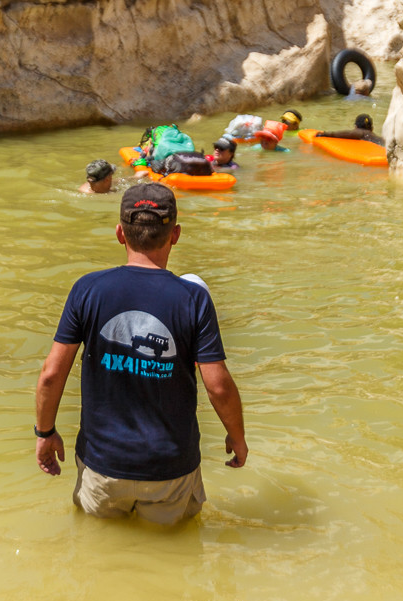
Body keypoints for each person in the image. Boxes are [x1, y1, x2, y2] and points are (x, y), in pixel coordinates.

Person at [35, 182, 248, 525]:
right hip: (170, 471)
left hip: (102, 466)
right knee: (174, 561)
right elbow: (218, 386)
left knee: (98, 555)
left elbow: (50, 374)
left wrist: (45, 433)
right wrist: (237, 437)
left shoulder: (87, 289)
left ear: (120, 233)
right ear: (175, 234)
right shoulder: (193, 299)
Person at [315, 113, 384, 146]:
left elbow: (348, 133)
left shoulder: (361, 133)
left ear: (356, 127)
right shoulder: (374, 136)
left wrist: (326, 134)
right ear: (372, 129)